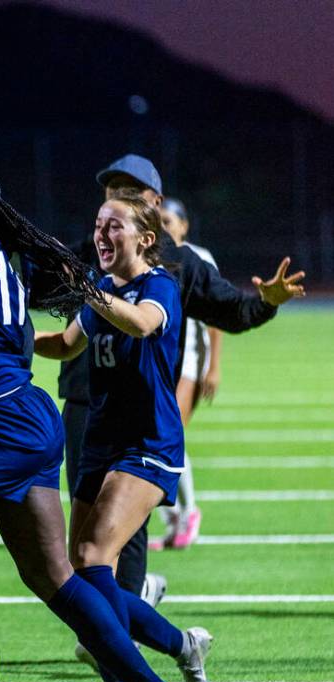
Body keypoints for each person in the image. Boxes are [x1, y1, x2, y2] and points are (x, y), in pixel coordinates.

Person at [56, 155, 305, 678]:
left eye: (127, 191)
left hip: (141, 431)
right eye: (108, 193)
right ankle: (156, 642)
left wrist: (267, 303)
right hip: (86, 412)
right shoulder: (90, 255)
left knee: (112, 550)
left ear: (152, 202)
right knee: (79, 564)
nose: (111, 204)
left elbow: (230, 313)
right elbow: (55, 327)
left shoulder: (176, 268)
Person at [35, 190, 214, 682]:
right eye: (97, 225)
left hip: (149, 444)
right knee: (84, 575)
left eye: (115, 226)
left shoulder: (157, 286)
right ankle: (181, 645)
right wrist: (5, 338)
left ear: (145, 239)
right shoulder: (102, 290)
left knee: (90, 561)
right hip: (101, 444)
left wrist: (90, 289)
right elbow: (66, 346)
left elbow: (139, 325)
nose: (102, 235)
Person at [152, 196, 221, 548]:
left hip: (190, 360)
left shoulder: (198, 258)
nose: (163, 227)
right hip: (159, 361)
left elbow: (215, 316)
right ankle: (173, 518)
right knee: (157, 436)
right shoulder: (151, 255)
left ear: (184, 226)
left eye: (169, 221)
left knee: (171, 434)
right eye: (159, 221)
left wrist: (213, 368)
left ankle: (188, 512)